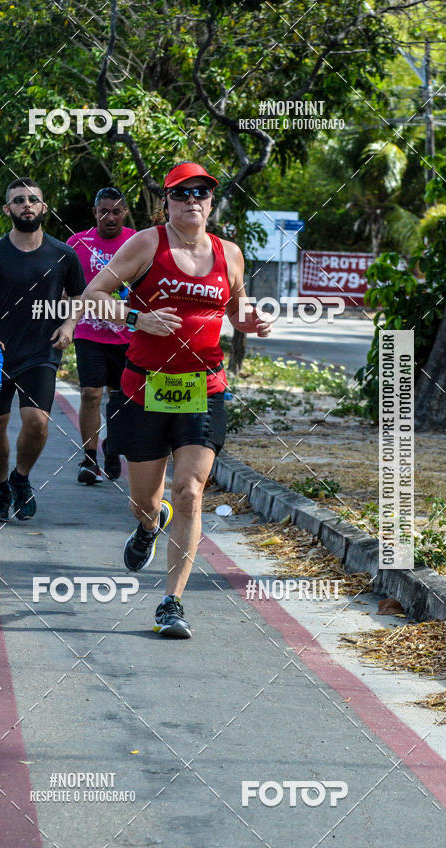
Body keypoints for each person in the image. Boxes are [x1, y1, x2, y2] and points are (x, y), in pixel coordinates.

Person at [57, 161, 272, 638]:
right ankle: (149, 525)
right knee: (143, 501)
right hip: (144, 389)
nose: (192, 200)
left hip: (204, 388)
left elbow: (236, 311)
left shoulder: (230, 254)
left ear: (211, 202)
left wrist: (250, 322)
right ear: (166, 202)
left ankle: (171, 602)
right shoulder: (146, 244)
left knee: (191, 491)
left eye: (201, 193)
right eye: (181, 193)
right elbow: (92, 295)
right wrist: (138, 319)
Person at [0, 177, 86, 522]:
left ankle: (21, 478)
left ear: (43, 207)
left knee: (37, 423)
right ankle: (1, 488)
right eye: (18, 200)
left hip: (41, 352)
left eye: (32, 200)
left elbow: (79, 296)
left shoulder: (63, 255)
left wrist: (69, 325)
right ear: (7, 209)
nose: (26, 205)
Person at [67, 187, 135, 484]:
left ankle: (113, 446)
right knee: (90, 393)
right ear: (95, 212)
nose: (110, 217)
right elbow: (67, 287)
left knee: (120, 398)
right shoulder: (77, 243)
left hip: (127, 335)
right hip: (88, 332)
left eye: (116, 211)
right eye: (104, 211)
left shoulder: (137, 242)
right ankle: (89, 458)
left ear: (125, 213)